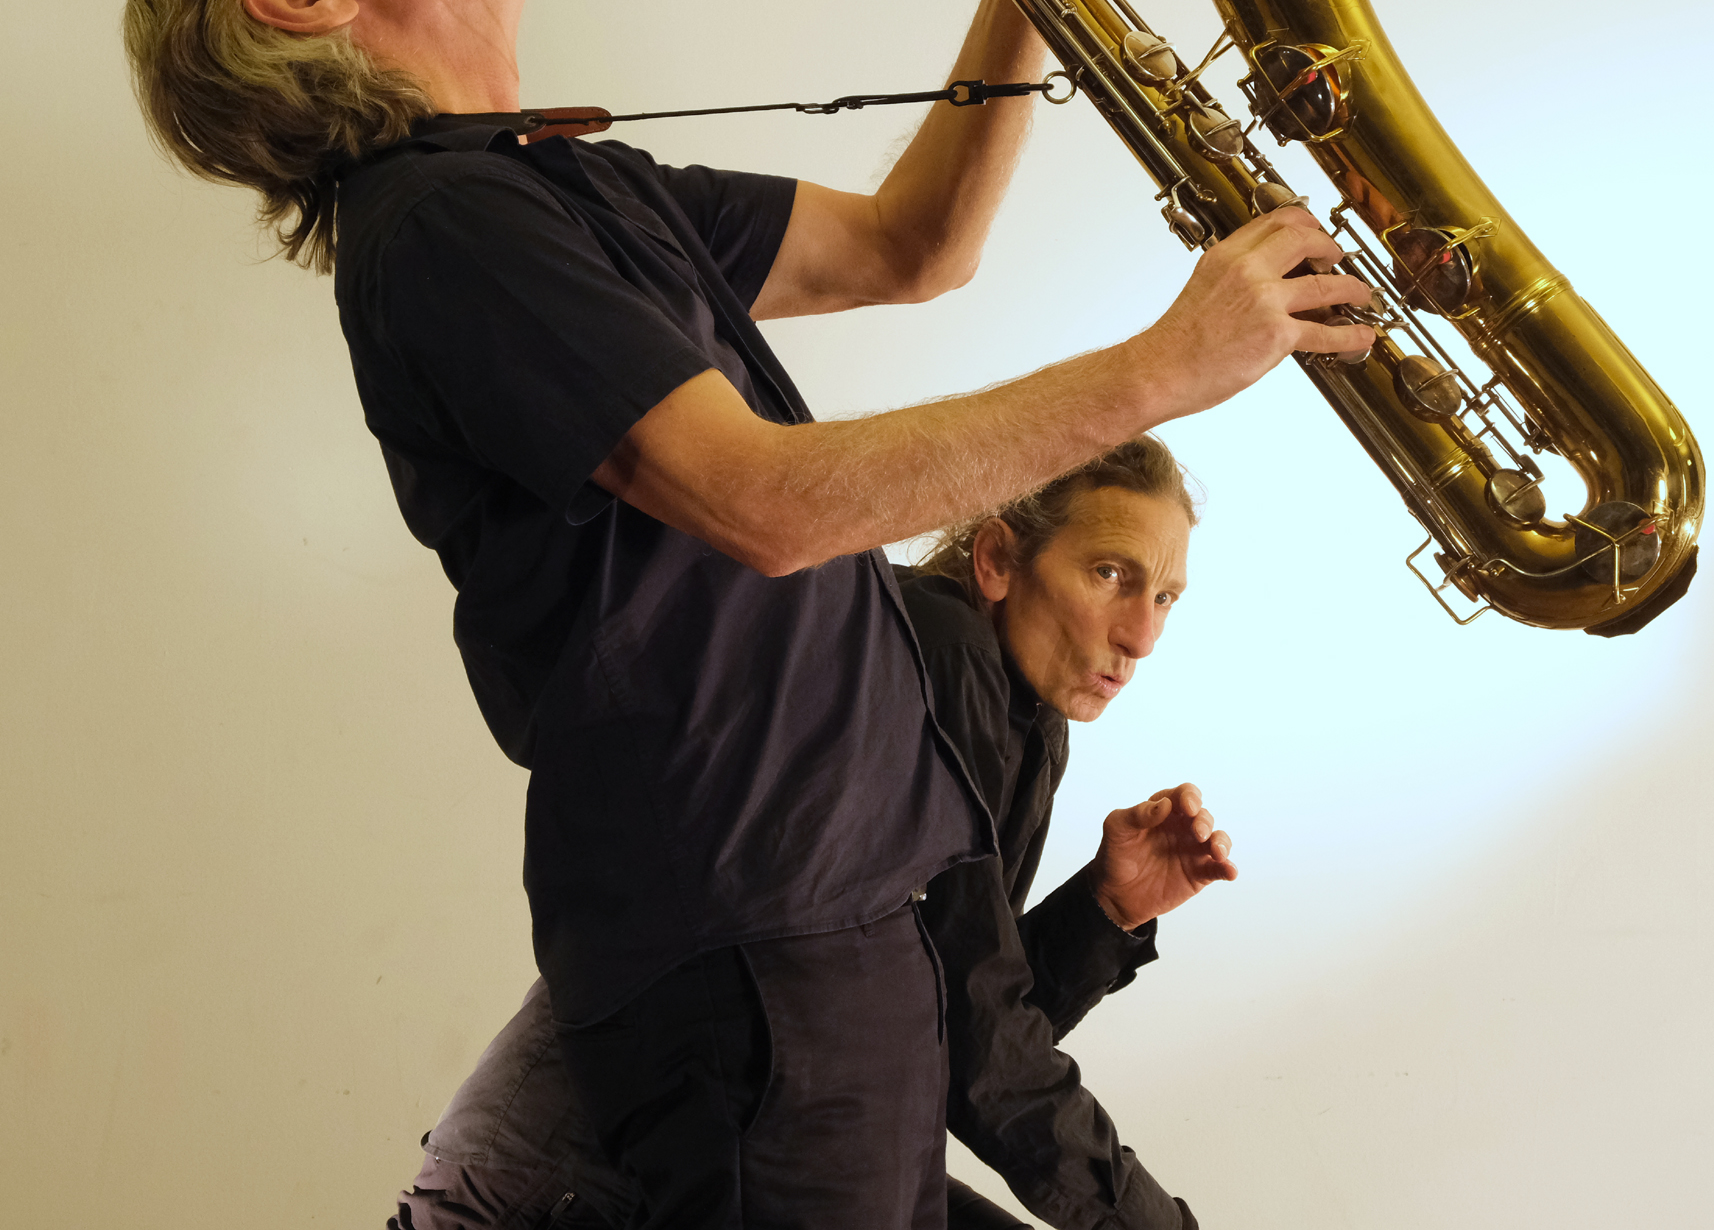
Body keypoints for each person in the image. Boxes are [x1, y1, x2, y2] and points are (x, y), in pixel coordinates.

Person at [122, 0, 1371, 1230]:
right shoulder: (446, 224)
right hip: (756, 927)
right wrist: (1159, 369)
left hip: (814, 915)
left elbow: (915, 245)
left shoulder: (569, 188)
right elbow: (765, 503)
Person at [394, 437, 1235, 1230]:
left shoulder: (1029, 720)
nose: (1141, 635)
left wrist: (1105, 910)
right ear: (996, 560)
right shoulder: (934, 652)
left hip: (711, 1147)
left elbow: (943, 1033)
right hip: (576, 1177)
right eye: (1110, 573)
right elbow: (983, 1051)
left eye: (1164, 596)